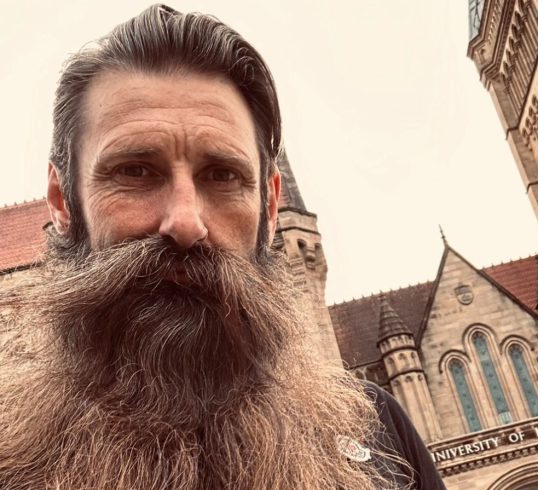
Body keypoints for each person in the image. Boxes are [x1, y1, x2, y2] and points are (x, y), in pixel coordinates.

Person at [0, 5, 446, 490]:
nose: (186, 222)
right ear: (63, 202)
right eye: (134, 171)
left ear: (271, 208)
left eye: (223, 175)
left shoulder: (381, 436)